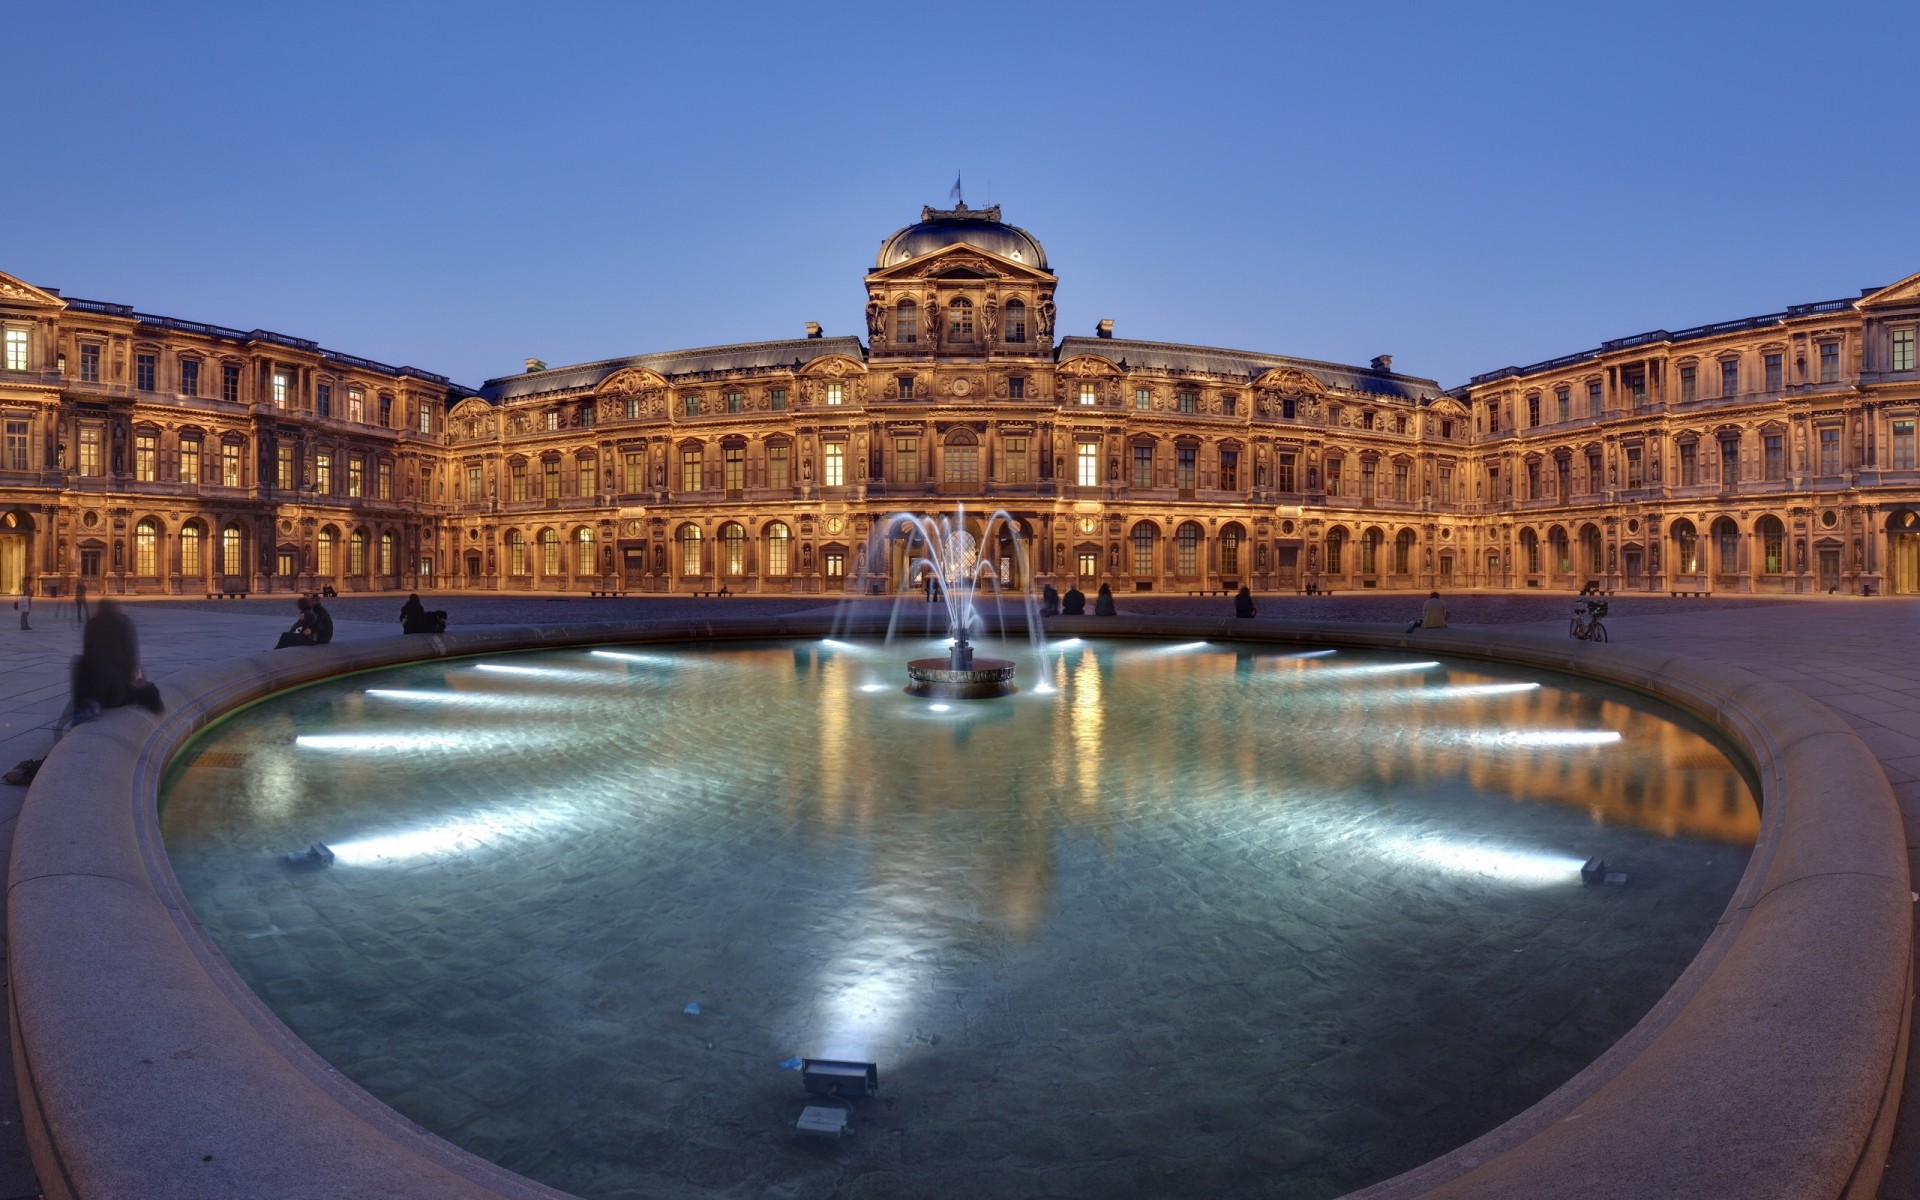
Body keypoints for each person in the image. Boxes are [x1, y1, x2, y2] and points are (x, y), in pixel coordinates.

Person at [70, 601, 162, 722]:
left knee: (82, 662)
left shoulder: (93, 625)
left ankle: (87, 705)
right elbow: (132, 667)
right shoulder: (124, 624)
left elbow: (86, 653)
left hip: (96, 694)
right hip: (116, 693)